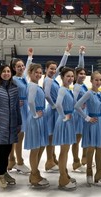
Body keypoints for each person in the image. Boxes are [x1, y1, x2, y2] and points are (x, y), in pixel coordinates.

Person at [0, 65, 21, 188]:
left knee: (7, 150)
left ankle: (4, 172)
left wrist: (19, 122)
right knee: (0, 151)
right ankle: (0, 175)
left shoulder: (14, 88)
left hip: (12, 124)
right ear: (0, 73)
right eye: (4, 71)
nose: (6, 73)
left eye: (8, 71)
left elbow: (17, 107)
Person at [74, 71, 101, 186]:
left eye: (100, 80)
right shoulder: (88, 93)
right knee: (91, 149)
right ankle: (89, 172)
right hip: (91, 124)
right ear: (91, 81)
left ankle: (99, 173)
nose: (98, 82)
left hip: (100, 123)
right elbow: (77, 106)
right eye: (96, 80)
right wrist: (87, 118)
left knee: (100, 148)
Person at [43, 41, 73, 172]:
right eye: (51, 69)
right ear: (46, 69)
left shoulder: (52, 78)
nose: (54, 71)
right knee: (50, 136)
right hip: (53, 110)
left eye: (54, 69)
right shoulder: (48, 80)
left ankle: (53, 158)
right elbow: (47, 95)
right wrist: (54, 105)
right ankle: (49, 161)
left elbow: (61, 66)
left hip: (55, 110)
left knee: (53, 136)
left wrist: (66, 51)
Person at [7, 48, 33, 174]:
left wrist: (29, 58)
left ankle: (12, 159)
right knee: (18, 136)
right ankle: (19, 162)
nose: (22, 68)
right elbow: (7, 94)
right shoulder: (13, 80)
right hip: (18, 110)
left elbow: (27, 69)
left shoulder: (22, 78)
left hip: (24, 109)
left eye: (22, 66)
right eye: (18, 66)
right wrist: (15, 102)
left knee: (17, 136)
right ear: (14, 68)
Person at [24, 63, 49, 188]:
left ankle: (34, 173)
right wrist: (34, 115)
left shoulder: (35, 85)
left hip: (39, 118)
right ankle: (34, 174)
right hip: (36, 119)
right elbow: (30, 101)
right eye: (36, 72)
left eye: (40, 72)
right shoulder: (33, 85)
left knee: (39, 147)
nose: (39, 75)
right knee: (35, 149)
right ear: (30, 73)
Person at [52, 67, 77, 190]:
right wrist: (64, 117)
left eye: (72, 76)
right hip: (64, 122)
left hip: (68, 121)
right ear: (62, 77)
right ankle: (62, 178)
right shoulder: (62, 89)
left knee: (65, 151)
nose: (71, 78)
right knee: (64, 151)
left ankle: (65, 174)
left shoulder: (67, 89)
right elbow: (57, 104)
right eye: (68, 76)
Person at [72, 45, 88, 173]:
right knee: (77, 139)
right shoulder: (77, 86)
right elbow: (73, 102)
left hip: (84, 114)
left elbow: (80, 67)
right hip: (78, 115)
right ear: (76, 75)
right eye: (80, 74)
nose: (82, 75)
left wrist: (82, 53)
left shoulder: (82, 85)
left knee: (84, 137)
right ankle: (76, 161)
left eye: (84, 73)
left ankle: (84, 158)